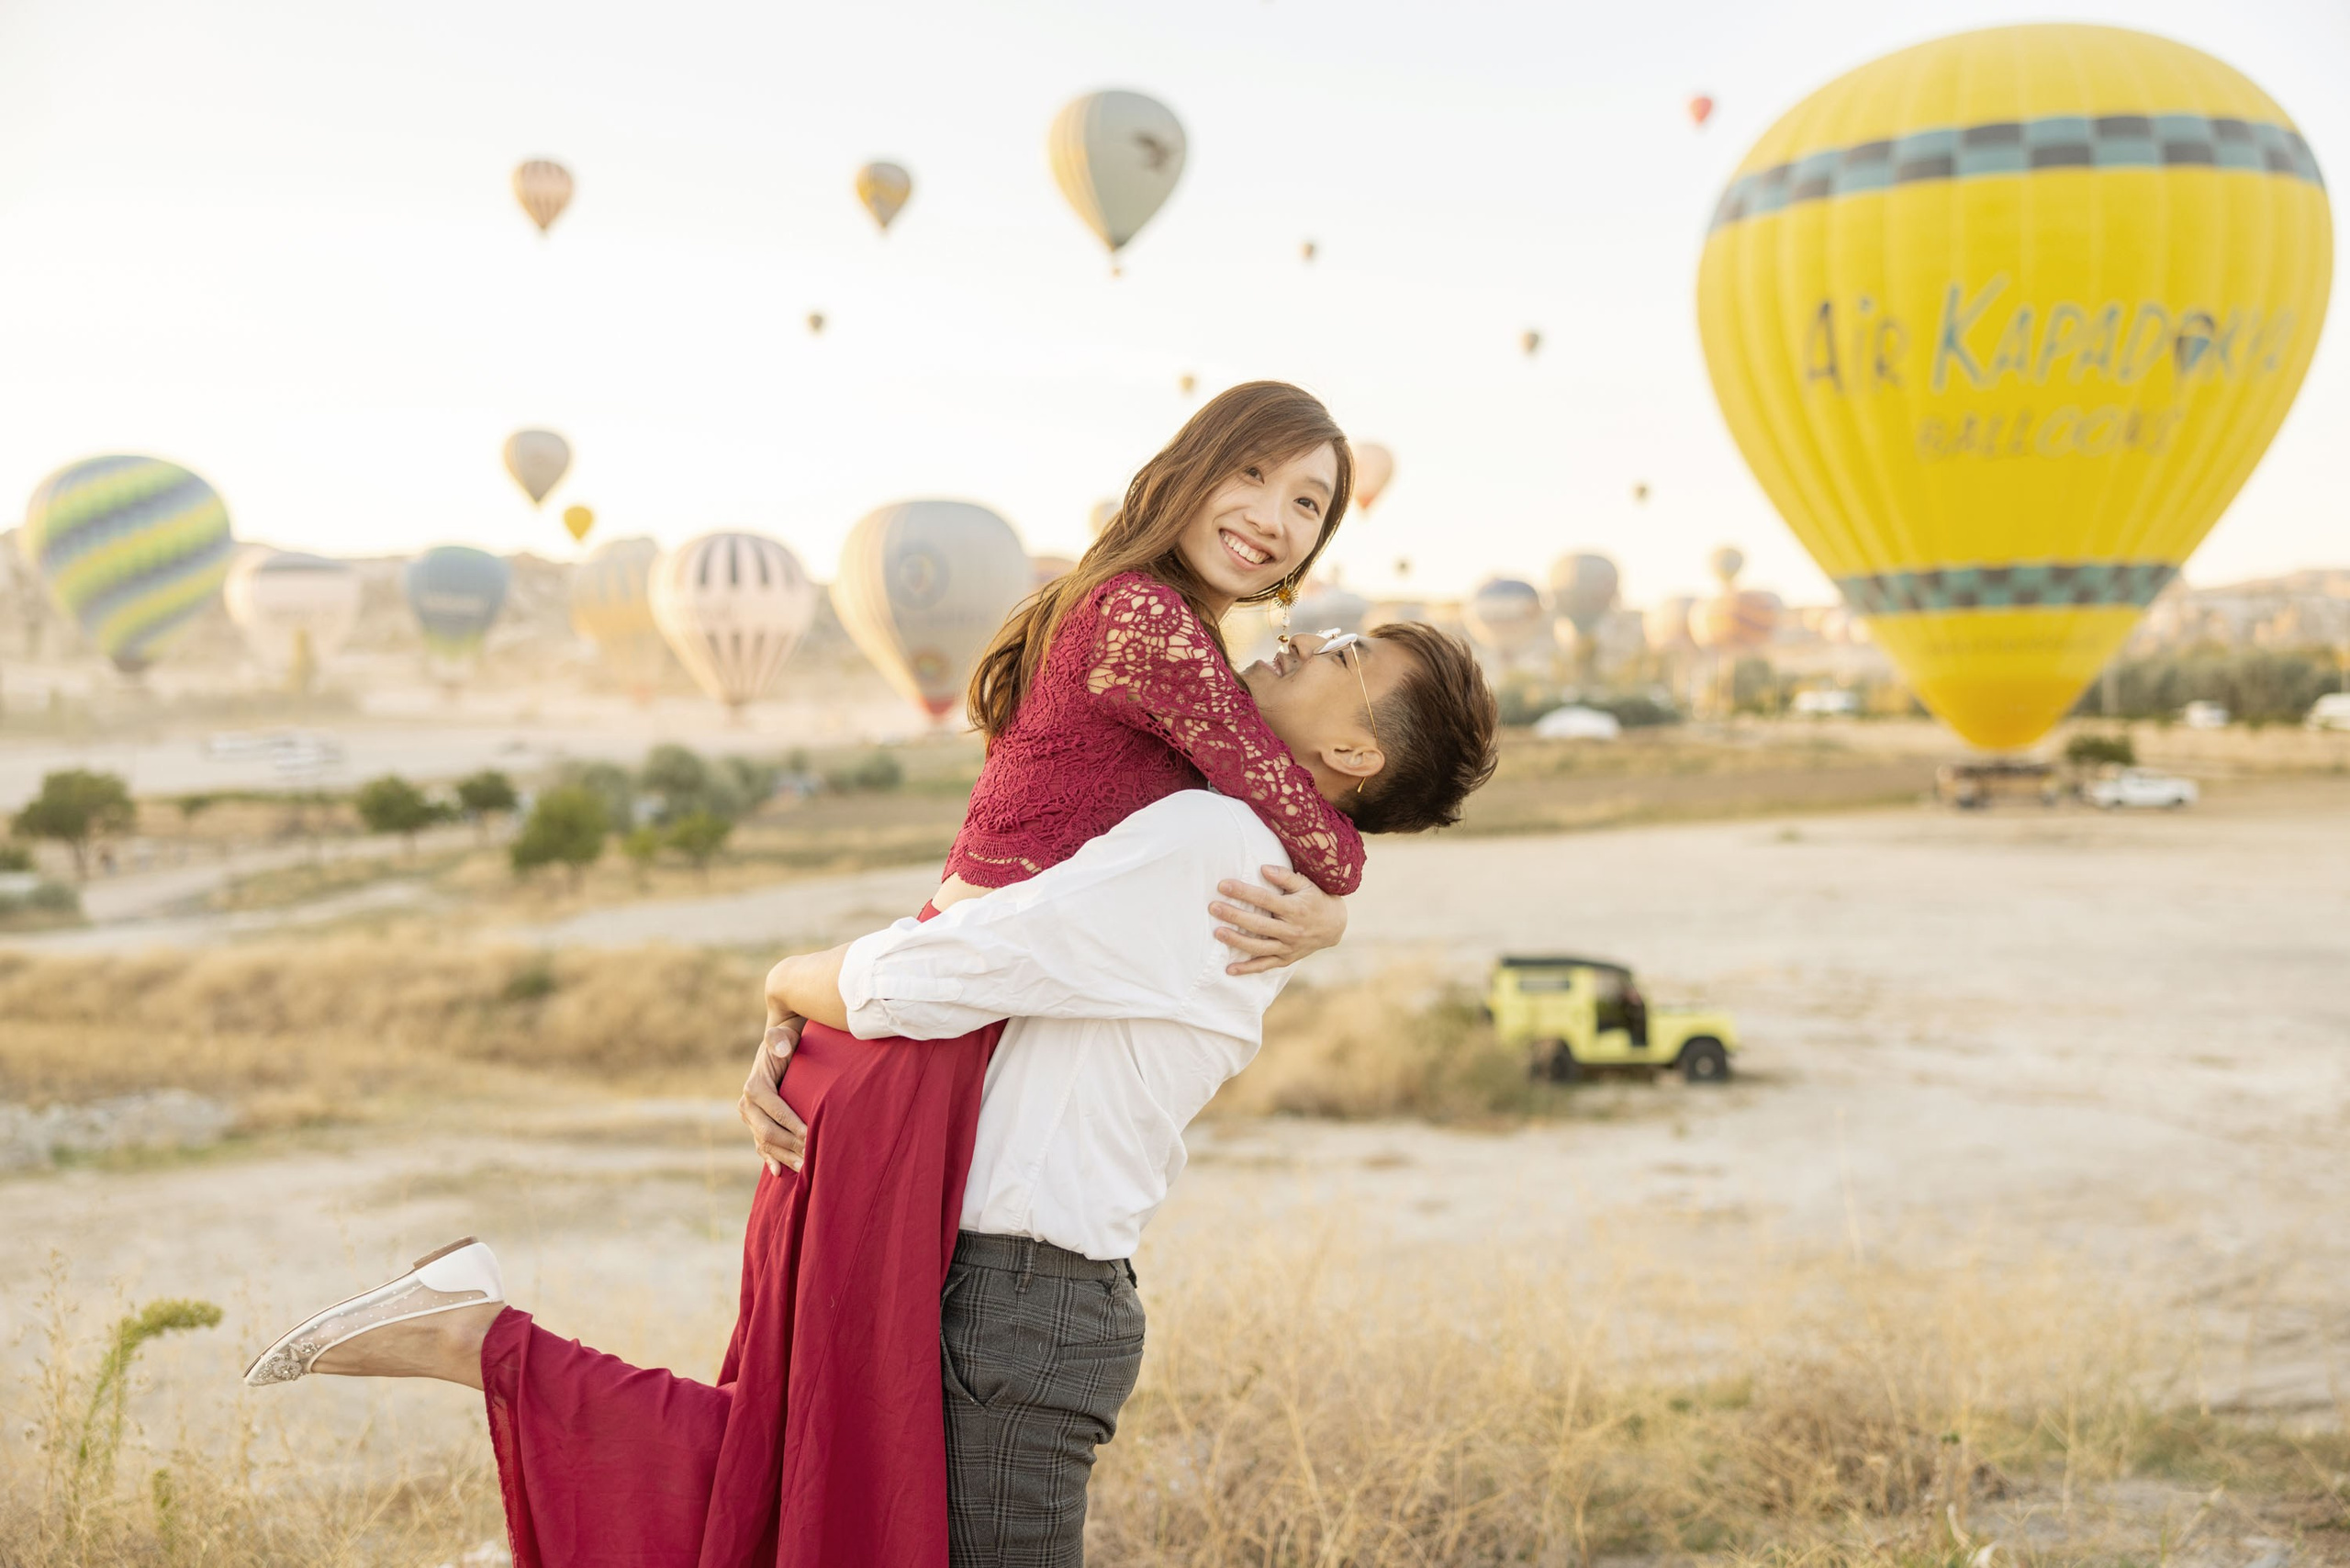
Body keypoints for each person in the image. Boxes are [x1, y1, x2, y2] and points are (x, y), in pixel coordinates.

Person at [241, 385, 1487, 1566]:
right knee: (807, 1482)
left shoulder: (1216, 818)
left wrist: (796, 986)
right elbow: (973, 956)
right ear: (1192, 468)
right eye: (1253, 474)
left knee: (793, 1474)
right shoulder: (1166, 675)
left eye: (1310, 505)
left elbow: (976, 947)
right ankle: (478, 1341)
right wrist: (1337, 891)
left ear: (1354, 751)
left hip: (927, 1112)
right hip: (937, 1131)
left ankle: (477, 1340)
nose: (1281, 530)